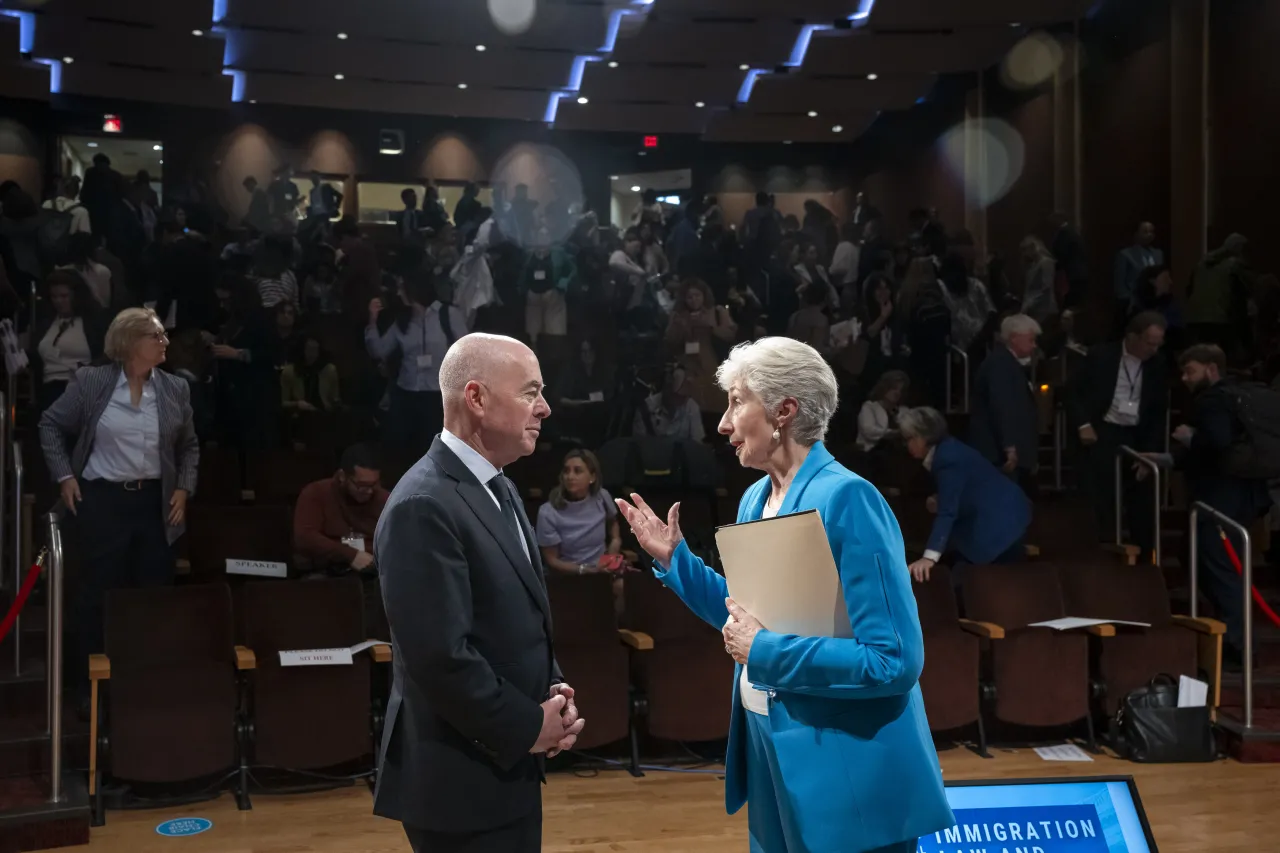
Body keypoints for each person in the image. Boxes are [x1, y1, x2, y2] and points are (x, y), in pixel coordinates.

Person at [616, 337, 952, 853]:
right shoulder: (755, 497)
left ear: (784, 411)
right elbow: (747, 615)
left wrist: (765, 650)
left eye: (735, 402)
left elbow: (894, 661)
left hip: (847, 771)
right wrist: (673, 561)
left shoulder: (849, 498)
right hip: (771, 745)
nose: (723, 424)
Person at [372, 333, 584, 853]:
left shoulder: (500, 485)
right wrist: (527, 725)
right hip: (458, 782)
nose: (545, 407)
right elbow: (441, 657)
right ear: (477, 398)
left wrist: (550, 694)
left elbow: (516, 617)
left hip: (503, 762)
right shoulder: (422, 503)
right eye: (530, 392)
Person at [38, 308, 198, 701]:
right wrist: (64, 476)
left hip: (155, 502)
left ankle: (143, 685)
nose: (164, 343)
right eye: (156, 336)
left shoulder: (176, 388)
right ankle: (86, 687)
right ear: (129, 343)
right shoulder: (92, 381)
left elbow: (190, 446)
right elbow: (50, 425)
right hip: (104, 499)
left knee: (152, 593)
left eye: (163, 336)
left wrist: (184, 488)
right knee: (97, 594)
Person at [1172, 345, 1272, 670]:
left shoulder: (1213, 400)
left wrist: (1189, 438)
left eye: (1191, 371)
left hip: (1218, 500)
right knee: (1216, 564)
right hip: (1244, 496)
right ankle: (1234, 640)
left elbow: (1217, 442)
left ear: (1212, 369)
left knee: (1221, 569)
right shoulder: (1237, 397)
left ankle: (1237, 645)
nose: (1185, 379)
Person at [1067, 311, 1169, 553]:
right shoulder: (1101, 355)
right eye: (1149, 342)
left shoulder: (1158, 364)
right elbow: (1072, 392)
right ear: (1132, 337)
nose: (1153, 349)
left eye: (1158, 343)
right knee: (1101, 494)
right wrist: (1083, 424)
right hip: (1103, 431)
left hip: (1137, 434)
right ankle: (1102, 548)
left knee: (1142, 498)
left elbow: (1157, 411)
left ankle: (1144, 556)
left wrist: (1151, 452)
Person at [900, 406, 1031, 583]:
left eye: (909, 438)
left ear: (923, 437)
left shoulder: (946, 459)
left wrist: (929, 557)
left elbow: (948, 512)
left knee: (965, 581)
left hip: (997, 523)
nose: (906, 444)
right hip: (1010, 515)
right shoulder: (950, 448)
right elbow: (969, 484)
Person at [366, 272, 467, 453]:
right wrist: (372, 321)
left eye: (401, 289)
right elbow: (379, 351)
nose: (398, 293)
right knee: (403, 449)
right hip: (407, 392)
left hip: (438, 395)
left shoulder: (448, 314)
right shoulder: (402, 320)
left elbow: (467, 350)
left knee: (434, 450)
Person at [969, 314, 1041, 488]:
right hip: (999, 453)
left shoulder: (1004, 363)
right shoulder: (1000, 365)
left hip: (1003, 451)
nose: (1034, 345)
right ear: (1014, 338)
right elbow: (1003, 407)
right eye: (1031, 340)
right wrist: (1009, 447)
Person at [294, 443, 388, 576]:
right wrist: (350, 554)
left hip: (373, 569)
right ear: (342, 476)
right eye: (361, 485)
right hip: (325, 570)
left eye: (374, 484)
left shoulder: (383, 499)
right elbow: (305, 537)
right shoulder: (316, 493)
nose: (369, 491)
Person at [28, 270, 108, 413]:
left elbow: (106, 355)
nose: (58, 301)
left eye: (64, 296)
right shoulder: (46, 324)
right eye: (54, 297)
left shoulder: (93, 323)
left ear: (75, 296)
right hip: (49, 388)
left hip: (80, 387)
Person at [535, 449, 622, 575]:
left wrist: (613, 549)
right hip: (569, 575)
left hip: (603, 568)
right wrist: (586, 570)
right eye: (566, 471)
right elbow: (552, 560)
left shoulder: (602, 496)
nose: (570, 477)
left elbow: (613, 525)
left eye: (577, 471)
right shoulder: (547, 512)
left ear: (592, 477)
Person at [856, 370, 909, 452]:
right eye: (894, 388)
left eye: (901, 390)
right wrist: (894, 433)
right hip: (868, 453)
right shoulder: (870, 406)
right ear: (885, 387)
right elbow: (869, 431)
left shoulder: (904, 411)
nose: (897, 393)